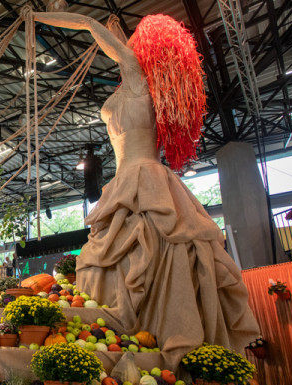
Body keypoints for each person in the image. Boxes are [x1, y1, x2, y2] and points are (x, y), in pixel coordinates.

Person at [28, 10, 259, 365]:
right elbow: (118, 43)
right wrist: (114, 28)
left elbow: (99, 34)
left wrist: (48, 17)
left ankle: (152, 335)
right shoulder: (135, 85)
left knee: (149, 249)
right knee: (122, 254)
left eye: (135, 46)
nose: (129, 48)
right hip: (126, 180)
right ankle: (124, 335)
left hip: (144, 179)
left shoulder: (139, 79)